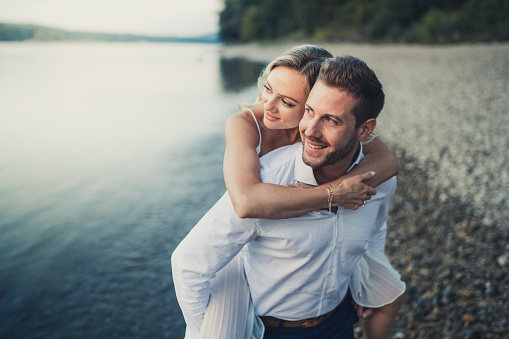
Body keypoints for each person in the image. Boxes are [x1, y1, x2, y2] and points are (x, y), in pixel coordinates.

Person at [172, 55, 403, 339]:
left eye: (330, 120)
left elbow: (376, 231)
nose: (311, 130)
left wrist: (363, 282)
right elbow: (189, 263)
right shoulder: (267, 178)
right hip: (273, 331)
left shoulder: (377, 179)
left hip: (339, 322)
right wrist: (205, 329)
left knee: (392, 294)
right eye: (309, 111)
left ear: (365, 129)